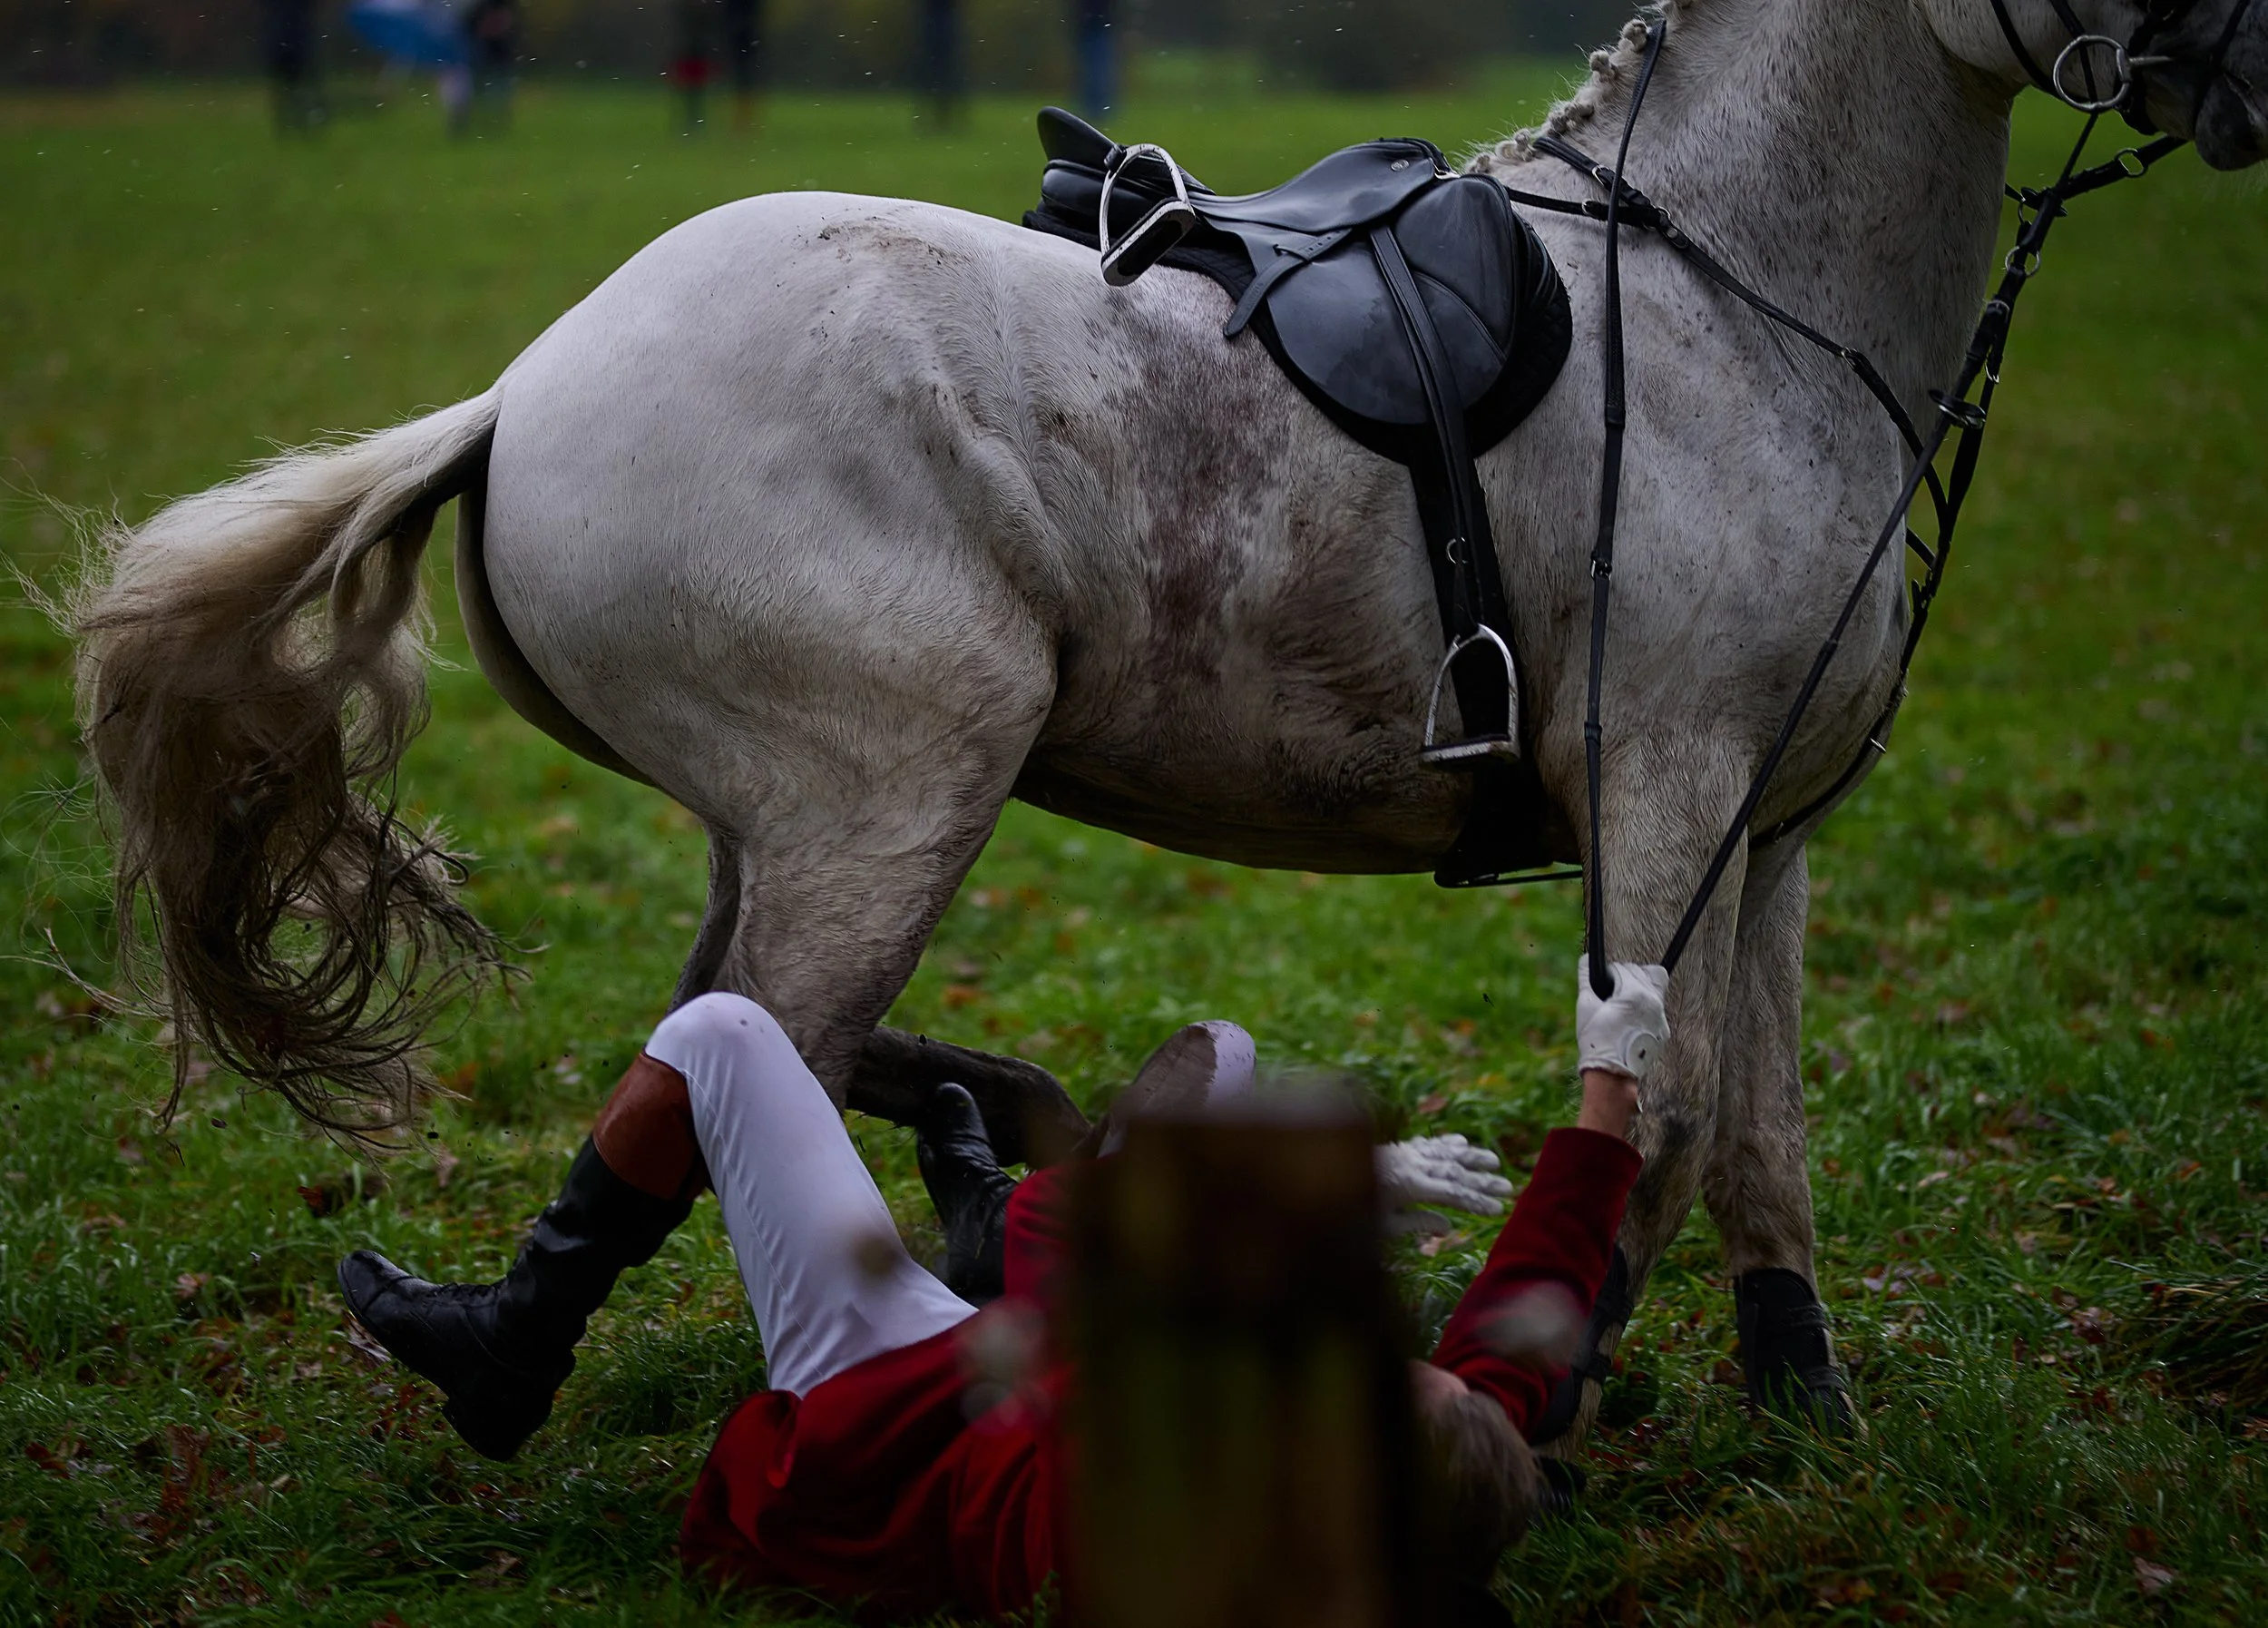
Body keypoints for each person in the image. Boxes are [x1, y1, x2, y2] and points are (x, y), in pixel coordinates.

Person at [339, 963, 1664, 1616]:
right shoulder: (1429, 1485)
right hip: (1003, 1345)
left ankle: (517, 1340)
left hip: (875, 1403)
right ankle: (977, 1222)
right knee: (1220, 1067)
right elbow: (1512, 1340)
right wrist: (1613, 1079)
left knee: (716, 1033)